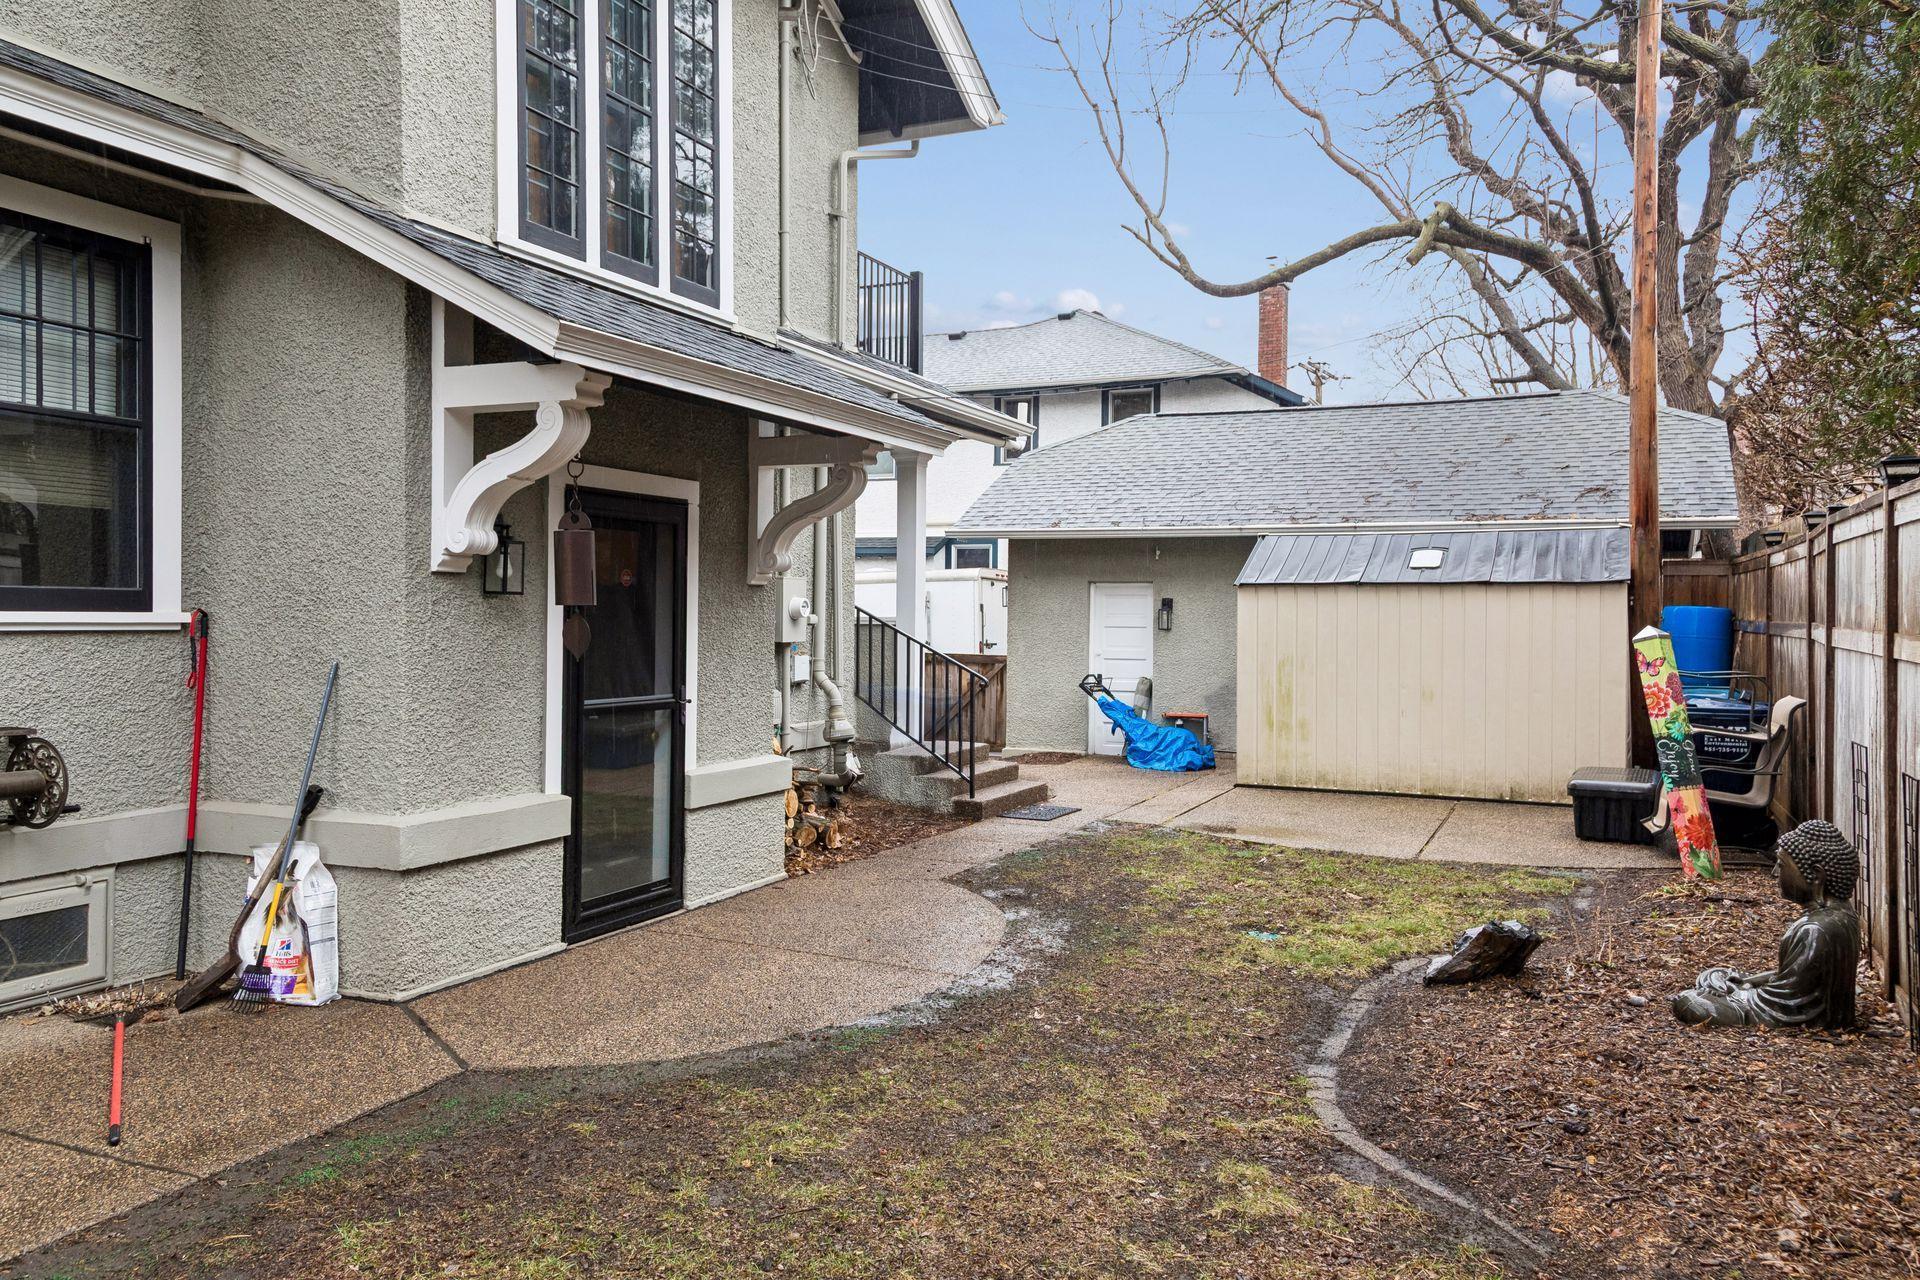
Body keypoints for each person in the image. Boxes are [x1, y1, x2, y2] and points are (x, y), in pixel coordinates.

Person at [1670, 820, 1861, 1030]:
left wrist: (1738, 993)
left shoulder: (1815, 930)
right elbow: (1792, 979)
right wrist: (1747, 981)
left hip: (1787, 1015)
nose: (1775, 874)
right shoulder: (1842, 915)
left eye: (1782, 865)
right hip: (1781, 1004)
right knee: (1715, 978)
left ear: (1815, 876)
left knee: (1687, 1001)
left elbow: (1781, 1004)